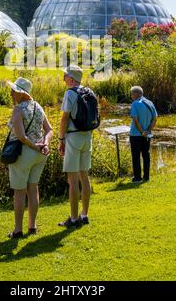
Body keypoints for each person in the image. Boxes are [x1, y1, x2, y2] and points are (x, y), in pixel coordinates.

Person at [6, 77, 53, 238]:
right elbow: (49, 130)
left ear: (21, 93)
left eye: (13, 91)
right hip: (40, 155)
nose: (11, 93)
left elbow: (21, 136)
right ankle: (32, 227)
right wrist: (45, 144)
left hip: (23, 154)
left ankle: (18, 230)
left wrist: (35, 146)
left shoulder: (18, 110)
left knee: (19, 192)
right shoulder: (38, 107)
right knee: (33, 189)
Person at [58, 65, 96, 228]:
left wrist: (61, 139)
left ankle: (73, 219)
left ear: (71, 79)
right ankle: (84, 215)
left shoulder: (70, 93)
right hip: (87, 136)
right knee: (84, 177)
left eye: (65, 76)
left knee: (72, 180)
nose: (63, 78)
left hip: (73, 137)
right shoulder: (89, 92)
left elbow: (64, 118)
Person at [129, 86, 158, 184]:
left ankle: (137, 178)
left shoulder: (135, 104)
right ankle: (146, 177)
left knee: (136, 156)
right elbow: (154, 119)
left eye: (131, 94)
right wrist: (148, 131)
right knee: (146, 155)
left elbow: (135, 120)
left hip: (135, 135)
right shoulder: (150, 103)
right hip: (147, 135)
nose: (131, 96)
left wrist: (142, 132)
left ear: (136, 94)